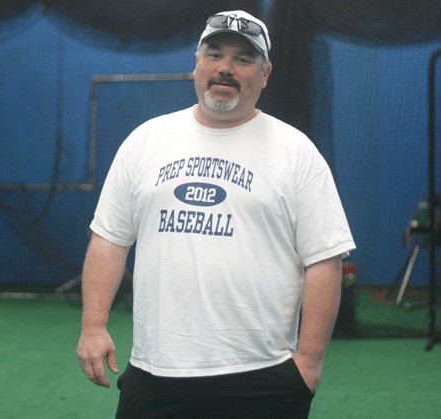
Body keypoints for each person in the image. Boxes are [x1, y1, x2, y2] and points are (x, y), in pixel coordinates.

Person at [77, 10, 355, 419]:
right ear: (196, 63)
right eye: (215, 54)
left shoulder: (296, 153)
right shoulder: (145, 142)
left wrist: (309, 362)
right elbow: (110, 240)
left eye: (244, 60)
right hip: (155, 374)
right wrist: (93, 325)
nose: (225, 68)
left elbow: (325, 260)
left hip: (261, 375)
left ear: (265, 74)